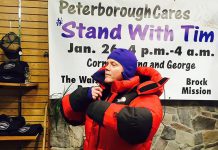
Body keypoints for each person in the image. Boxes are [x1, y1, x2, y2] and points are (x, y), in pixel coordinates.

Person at [61, 48, 168, 150]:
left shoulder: (145, 95)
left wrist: (101, 110)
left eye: (113, 64)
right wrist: (82, 96)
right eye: (107, 63)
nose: (107, 67)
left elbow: (139, 127)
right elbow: (70, 116)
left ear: (127, 71)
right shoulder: (103, 92)